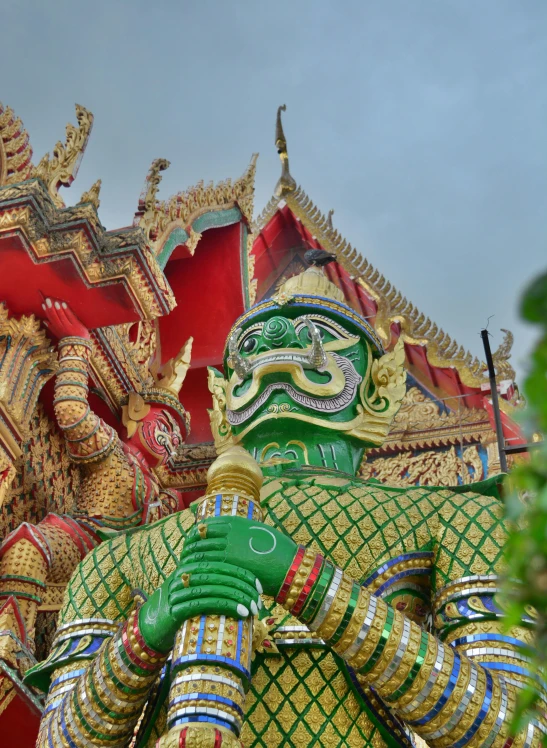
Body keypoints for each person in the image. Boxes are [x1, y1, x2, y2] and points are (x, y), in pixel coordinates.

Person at [28, 268, 544, 747]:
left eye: (316, 333)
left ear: (379, 395)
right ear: (223, 404)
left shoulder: (458, 520)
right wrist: (151, 626)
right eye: (251, 343)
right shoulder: (115, 558)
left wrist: (306, 581)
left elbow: (520, 731)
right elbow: (56, 740)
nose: (277, 344)